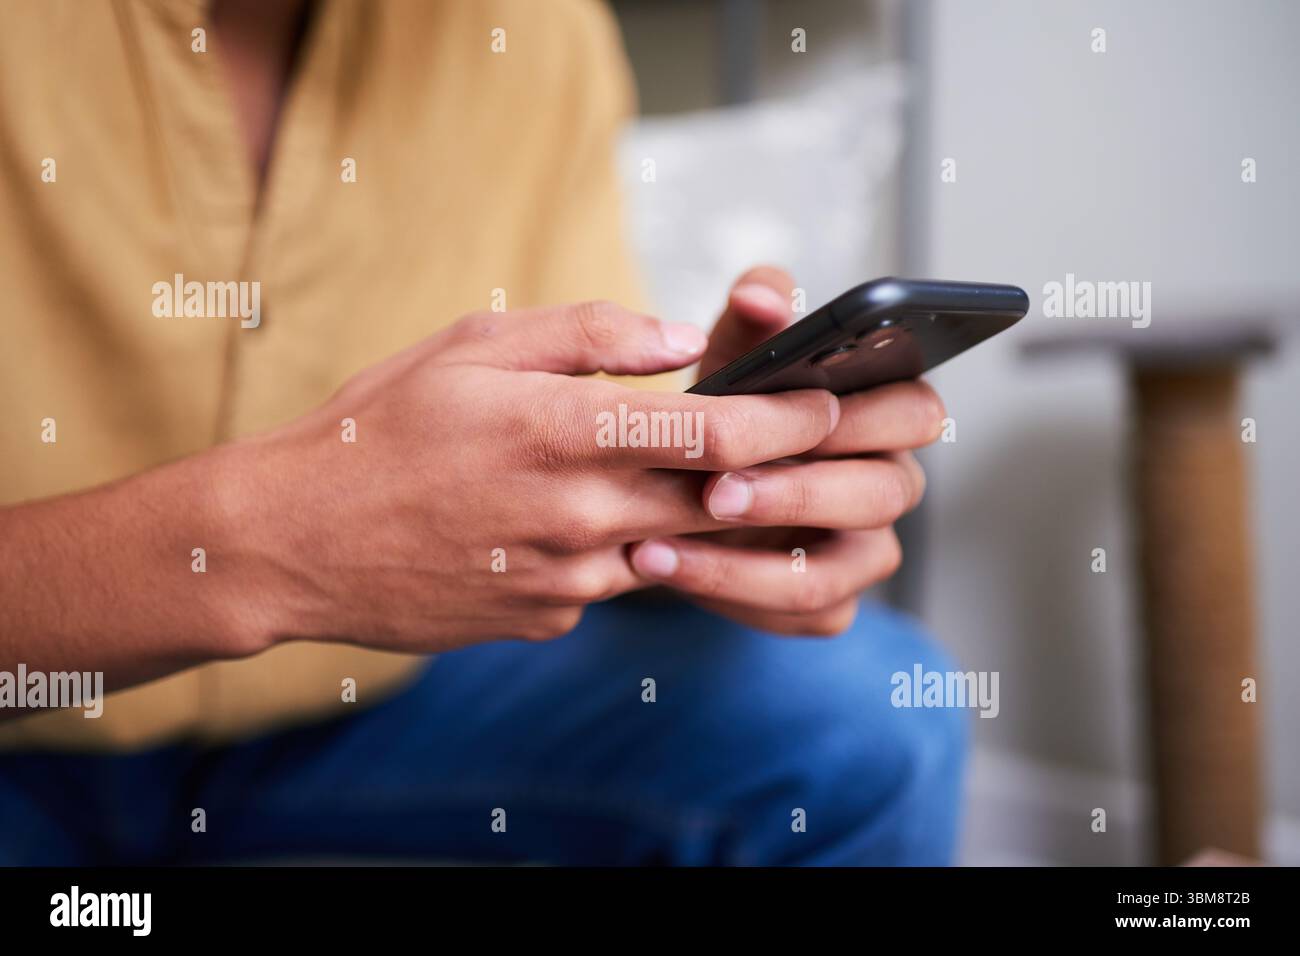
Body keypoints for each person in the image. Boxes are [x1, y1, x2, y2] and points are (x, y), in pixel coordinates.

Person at [0, 0, 964, 865]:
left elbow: (565, 463)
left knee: (876, 713)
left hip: (371, 709)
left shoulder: (538, 32)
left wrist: (699, 507)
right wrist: (280, 544)